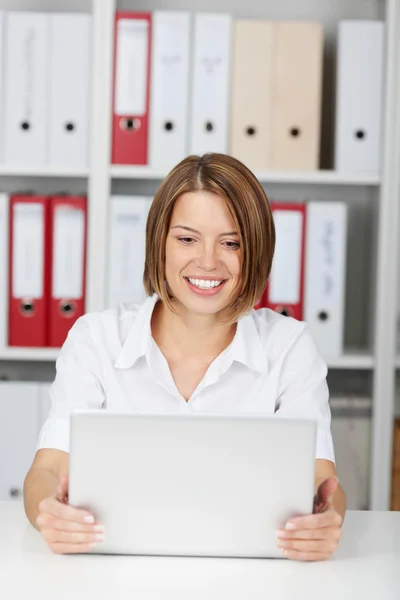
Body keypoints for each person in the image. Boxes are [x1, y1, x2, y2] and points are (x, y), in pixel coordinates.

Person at [23, 153, 346, 561]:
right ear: (159, 242)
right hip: (111, 575)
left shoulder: (290, 347)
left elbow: (322, 482)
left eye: (231, 243)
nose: (208, 261)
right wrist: (47, 512)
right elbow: (47, 468)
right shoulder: (97, 340)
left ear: (258, 251)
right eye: (187, 238)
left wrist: (325, 521)